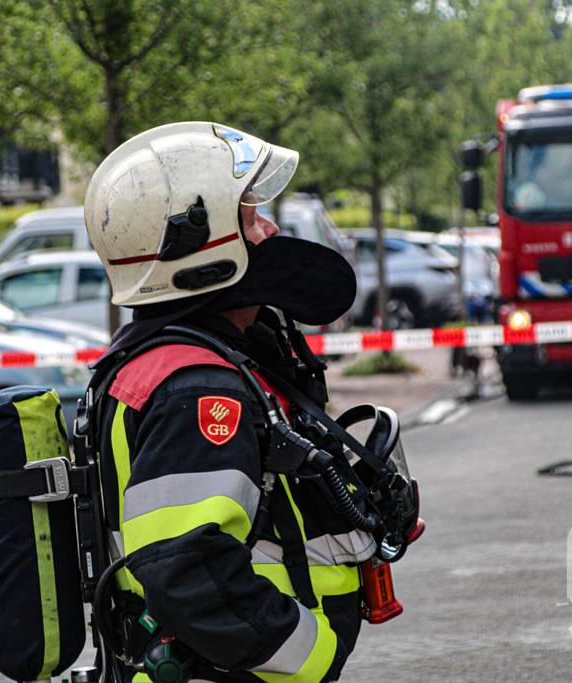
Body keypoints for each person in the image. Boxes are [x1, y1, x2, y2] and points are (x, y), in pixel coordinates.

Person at [84, 122, 370, 682]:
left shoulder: (204, 360)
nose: (269, 228)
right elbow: (187, 571)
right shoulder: (196, 389)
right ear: (204, 246)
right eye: (248, 216)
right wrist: (308, 654)